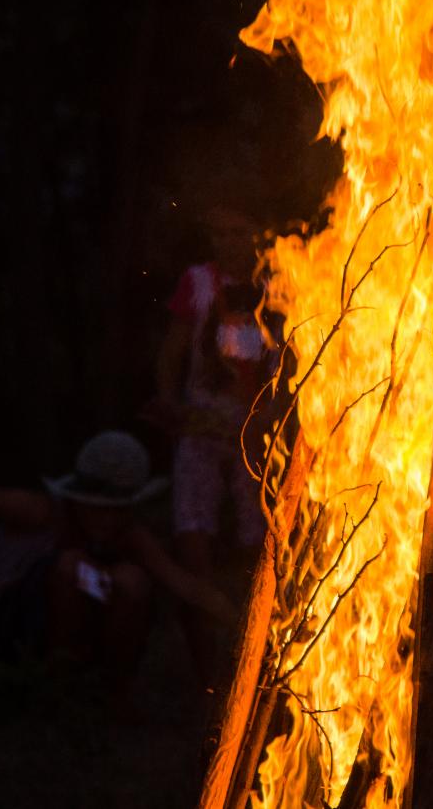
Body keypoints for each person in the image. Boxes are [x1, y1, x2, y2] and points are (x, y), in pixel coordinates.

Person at [0, 431, 234, 723]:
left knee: (132, 580)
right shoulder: (40, 511)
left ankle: (112, 698)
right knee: (73, 568)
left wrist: (242, 619)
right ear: (77, 499)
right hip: (4, 637)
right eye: (98, 507)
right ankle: (54, 692)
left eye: (117, 508)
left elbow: (185, 585)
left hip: (81, 637)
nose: (108, 519)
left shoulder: (129, 536)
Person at [152, 205, 274, 678]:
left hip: (257, 431)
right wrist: (172, 407)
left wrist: (274, 416)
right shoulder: (198, 282)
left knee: (258, 544)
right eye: (219, 232)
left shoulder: (280, 279)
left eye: (237, 232)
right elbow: (171, 351)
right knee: (193, 538)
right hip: (201, 428)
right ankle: (204, 670)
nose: (227, 242)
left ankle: (259, 660)